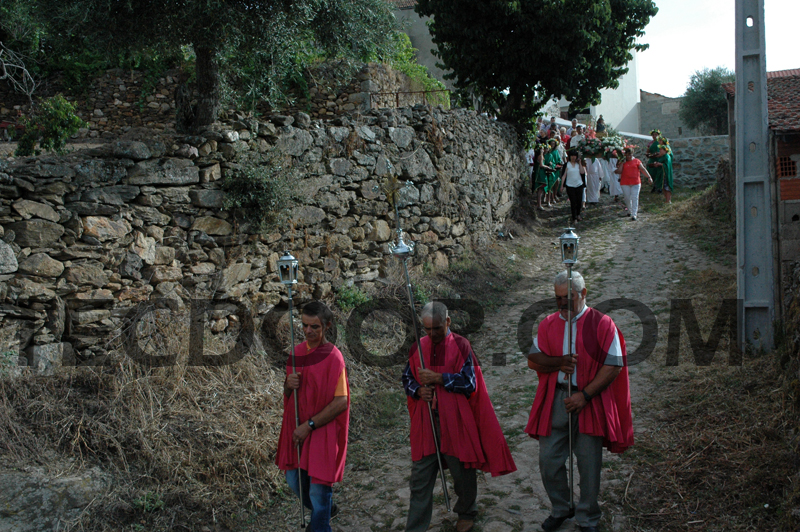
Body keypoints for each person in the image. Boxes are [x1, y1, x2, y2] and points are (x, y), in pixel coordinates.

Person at [525, 271, 633, 532]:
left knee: (588, 464)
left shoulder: (603, 323)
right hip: (556, 398)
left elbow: (613, 365)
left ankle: (587, 516)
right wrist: (558, 362)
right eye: (558, 298)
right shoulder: (548, 324)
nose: (562, 303)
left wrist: (585, 396)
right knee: (549, 461)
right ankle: (561, 508)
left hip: (589, 400)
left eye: (568, 297)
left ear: (583, 293)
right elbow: (533, 359)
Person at [403, 302, 516, 532]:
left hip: (456, 420)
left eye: (436, 328)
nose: (432, 334)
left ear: (447, 322)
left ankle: (466, 511)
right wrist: (418, 391)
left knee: (462, 471)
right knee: (420, 478)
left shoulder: (462, 345)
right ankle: (415, 527)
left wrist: (439, 378)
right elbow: (407, 378)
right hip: (426, 421)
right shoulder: (418, 347)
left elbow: (469, 382)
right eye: (427, 329)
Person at [276, 301, 349, 532]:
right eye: (305, 325)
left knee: (318, 489)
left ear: (327, 326)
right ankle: (325, 509)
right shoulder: (296, 353)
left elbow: (341, 401)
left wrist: (309, 425)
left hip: (321, 428)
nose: (308, 331)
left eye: (314, 327)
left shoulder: (334, 357)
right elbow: (288, 397)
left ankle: (320, 522)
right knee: (293, 479)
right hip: (297, 426)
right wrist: (288, 385)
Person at [614, 148, 653, 221]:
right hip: (625, 183)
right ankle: (629, 210)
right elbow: (619, 171)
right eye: (628, 155)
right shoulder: (623, 162)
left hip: (636, 182)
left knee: (635, 197)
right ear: (625, 155)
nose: (629, 156)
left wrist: (649, 177)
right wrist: (621, 164)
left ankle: (634, 214)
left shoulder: (637, 161)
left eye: (631, 155)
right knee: (627, 198)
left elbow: (643, 169)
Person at [560, 150, 586, 224]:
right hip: (570, 185)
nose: (573, 157)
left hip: (579, 184)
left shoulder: (578, 165)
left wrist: (580, 163)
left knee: (579, 201)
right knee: (573, 201)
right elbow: (564, 176)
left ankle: (578, 214)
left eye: (574, 156)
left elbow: (582, 172)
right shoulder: (567, 165)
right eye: (572, 156)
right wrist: (562, 186)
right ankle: (574, 217)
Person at [652, 136, 674, 204]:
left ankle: (668, 200)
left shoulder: (667, 156)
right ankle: (666, 200)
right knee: (663, 187)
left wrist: (660, 164)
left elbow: (667, 164)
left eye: (661, 150)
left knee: (667, 186)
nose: (660, 151)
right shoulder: (663, 156)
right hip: (662, 172)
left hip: (666, 173)